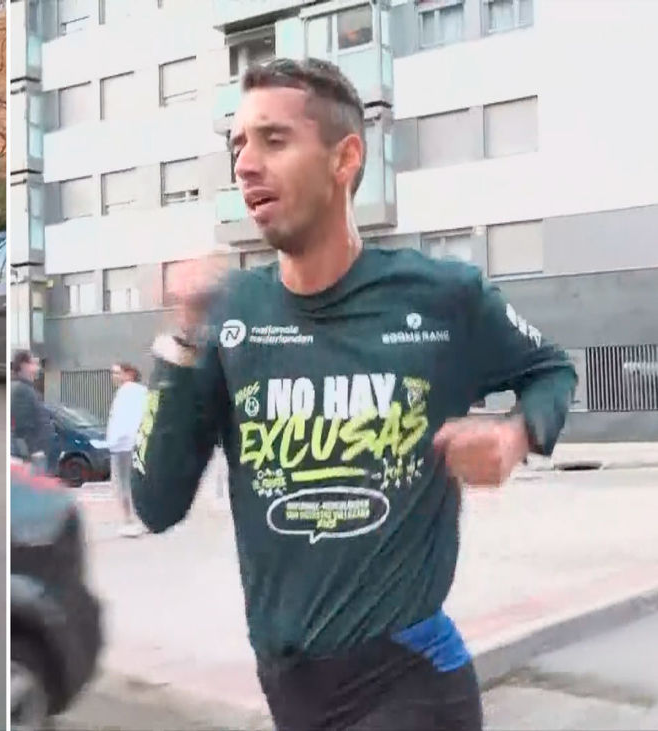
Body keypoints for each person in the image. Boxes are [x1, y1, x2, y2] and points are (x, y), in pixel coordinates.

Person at [130, 58, 577, 731]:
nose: (245, 164)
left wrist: (515, 435)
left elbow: (552, 369)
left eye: (273, 140)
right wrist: (182, 340)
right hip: (291, 694)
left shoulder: (441, 297)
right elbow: (156, 503)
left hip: (409, 679)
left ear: (345, 159)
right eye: (238, 145)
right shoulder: (231, 315)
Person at [103, 362, 148, 538]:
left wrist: (112, 441)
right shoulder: (140, 392)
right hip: (133, 443)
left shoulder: (127, 392)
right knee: (132, 483)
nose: (113, 377)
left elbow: (122, 421)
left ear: (129, 374)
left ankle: (131, 521)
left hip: (123, 445)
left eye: (117, 373)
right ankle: (137, 520)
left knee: (123, 484)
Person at [10, 349, 52, 469]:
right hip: (31, 454)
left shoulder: (27, 389)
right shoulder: (22, 390)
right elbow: (23, 425)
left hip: (34, 451)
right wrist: (34, 449)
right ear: (23, 366)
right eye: (33, 363)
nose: (37, 368)